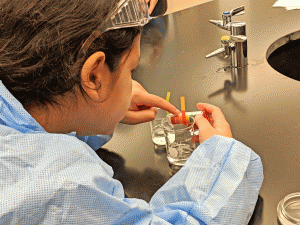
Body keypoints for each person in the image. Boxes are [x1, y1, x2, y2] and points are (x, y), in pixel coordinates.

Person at [0, 0, 263, 224]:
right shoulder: (60, 187)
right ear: (94, 75)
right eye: (131, 70)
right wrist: (221, 161)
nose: (133, 83)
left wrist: (102, 103)